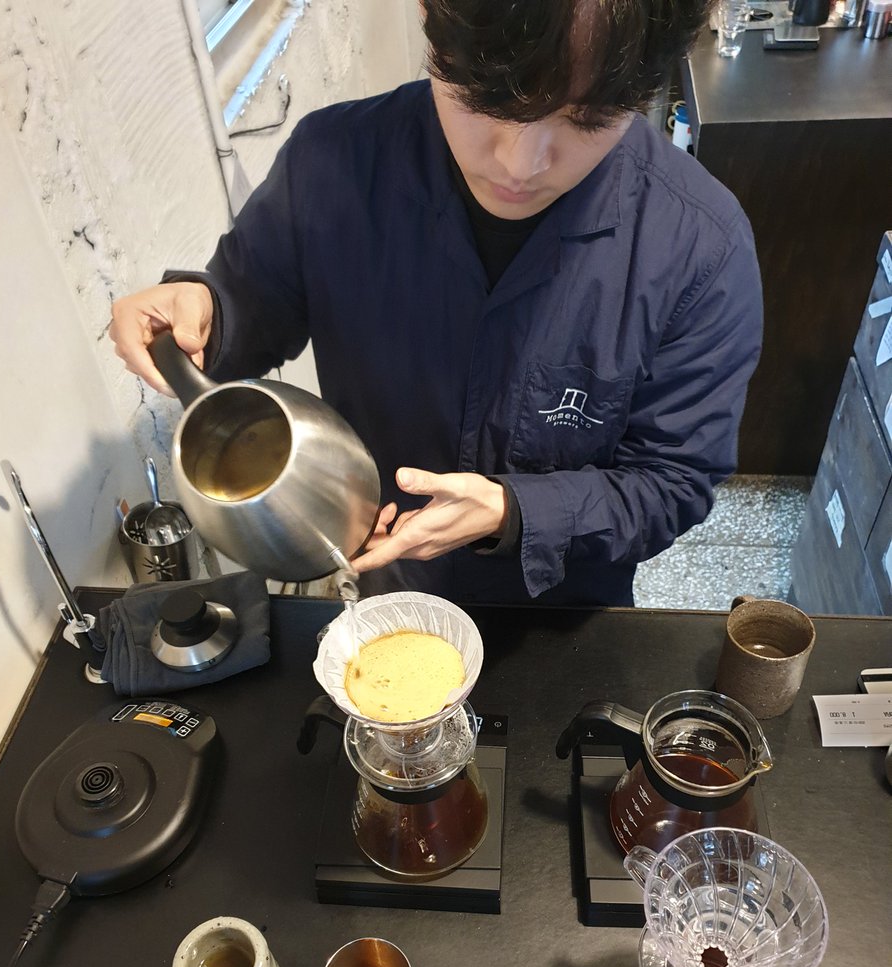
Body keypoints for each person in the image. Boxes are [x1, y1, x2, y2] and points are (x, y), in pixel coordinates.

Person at [110, 0, 762, 606]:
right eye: (490, 98)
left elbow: (672, 483)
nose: (521, 163)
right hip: (388, 588)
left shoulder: (699, 248)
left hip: (560, 617)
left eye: (587, 118)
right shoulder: (333, 165)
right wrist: (203, 311)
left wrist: (514, 511)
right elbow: (253, 302)